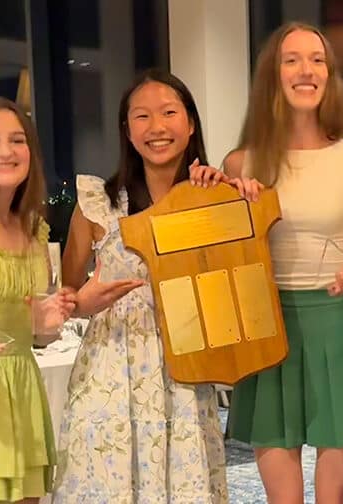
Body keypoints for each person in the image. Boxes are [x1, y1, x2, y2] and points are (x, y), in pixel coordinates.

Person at [52, 70, 235, 503]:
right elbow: (65, 298)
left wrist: (230, 195)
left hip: (187, 371)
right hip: (110, 370)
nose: (157, 127)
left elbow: (235, 282)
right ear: (126, 131)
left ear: (190, 123)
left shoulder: (213, 199)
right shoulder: (98, 203)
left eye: (169, 112)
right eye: (142, 116)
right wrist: (83, 302)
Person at [223, 22, 343, 504]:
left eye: (317, 59)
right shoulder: (240, 164)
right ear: (273, 76)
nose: (306, 70)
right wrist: (211, 190)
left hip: (338, 328)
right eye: (292, 59)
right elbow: (227, 259)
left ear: (330, 76)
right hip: (268, 330)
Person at [0, 97, 75, 503]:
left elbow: (32, 327)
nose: (6, 152)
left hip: (22, 387)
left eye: (17, 139)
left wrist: (44, 326)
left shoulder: (33, 229)